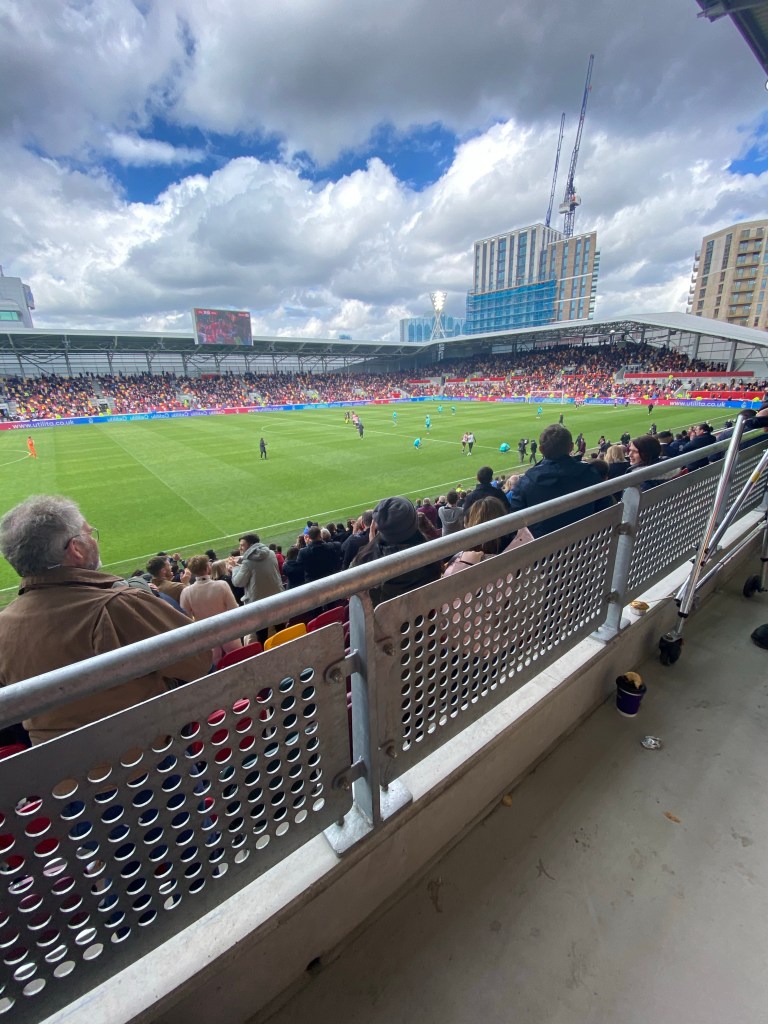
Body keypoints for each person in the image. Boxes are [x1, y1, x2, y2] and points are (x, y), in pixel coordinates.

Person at [0, 496, 211, 744]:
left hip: (57, 764)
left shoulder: (4, 625)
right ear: (76, 549)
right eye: (89, 533)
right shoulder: (119, 605)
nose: (94, 539)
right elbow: (200, 661)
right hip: (146, 756)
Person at [505, 424, 606, 538]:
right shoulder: (591, 473)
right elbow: (606, 508)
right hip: (586, 543)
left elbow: (514, 526)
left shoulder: (525, 483)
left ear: (541, 450)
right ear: (571, 447)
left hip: (543, 547)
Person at [351, 496, 441, 606]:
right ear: (414, 523)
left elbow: (349, 588)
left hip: (384, 616)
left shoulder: (365, 561)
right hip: (426, 613)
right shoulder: (433, 553)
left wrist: (372, 546)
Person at [180, 555, 242, 664]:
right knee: (238, 661)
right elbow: (234, 608)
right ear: (207, 568)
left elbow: (185, 618)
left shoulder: (186, 592)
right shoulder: (222, 585)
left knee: (216, 667)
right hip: (227, 632)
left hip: (206, 637)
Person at [231, 532, 283, 644]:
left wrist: (234, 568)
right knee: (280, 627)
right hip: (276, 596)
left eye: (242, 545)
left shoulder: (248, 563)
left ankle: (265, 652)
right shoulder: (271, 553)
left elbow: (238, 582)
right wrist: (242, 560)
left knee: (262, 633)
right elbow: (257, 562)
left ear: (251, 546)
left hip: (258, 603)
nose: (240, 548)